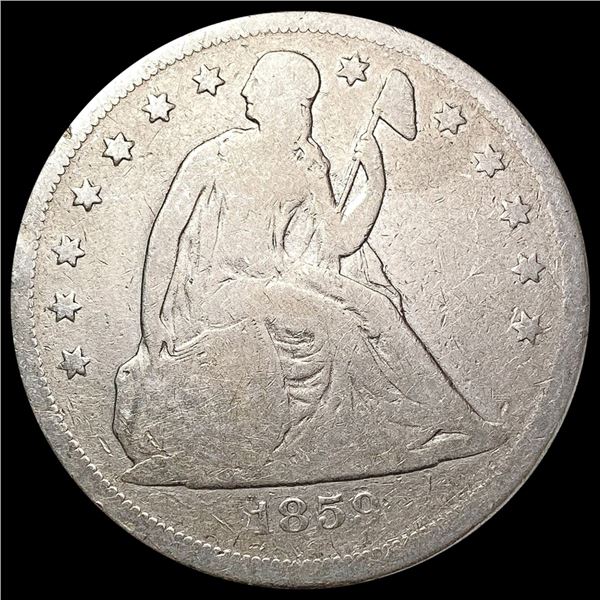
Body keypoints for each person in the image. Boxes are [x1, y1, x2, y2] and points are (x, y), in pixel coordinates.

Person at [114, 51, 504, 488]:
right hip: (218, 289)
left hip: (278, 276)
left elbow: (340, 240)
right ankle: (370, 433)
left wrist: (374, 178)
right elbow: (165, 234)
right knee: (330, 317)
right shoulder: (216, 155)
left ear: (290, 98)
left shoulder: (306, 160)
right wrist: (151, 323)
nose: (246, 91)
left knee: (376, 307)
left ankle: (457, 422)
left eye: (258, 83)